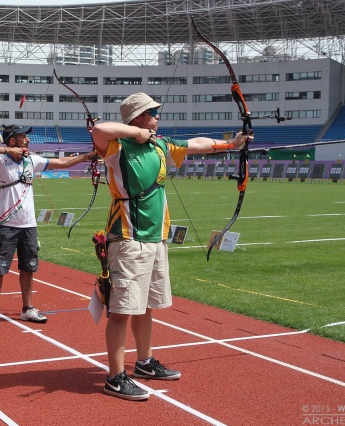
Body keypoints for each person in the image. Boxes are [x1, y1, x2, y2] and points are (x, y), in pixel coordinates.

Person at [91, 93, 251, 401]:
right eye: (152, 113)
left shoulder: (160, 144)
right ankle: (115, 376)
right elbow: (99, 130)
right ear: (137, 117)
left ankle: (145, 362)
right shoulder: (117, 147)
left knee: (146, 304)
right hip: (128, 237)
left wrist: (231, 144)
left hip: (156, 237)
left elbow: (195, 144)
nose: (157, 117)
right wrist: (135, 133)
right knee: (122, 309)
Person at [0, 125, 96, 329]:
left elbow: (62, 162)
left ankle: (27, 309)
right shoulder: (1, 160)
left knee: (28, 268)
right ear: (12, 140)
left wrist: (88, 156)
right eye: (23, 136)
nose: (27, 140)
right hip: (6, 225)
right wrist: (8, 150)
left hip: (28, 225)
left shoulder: (31, 160)